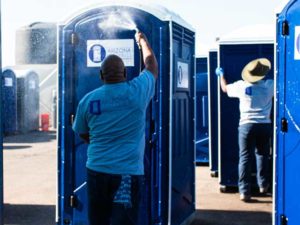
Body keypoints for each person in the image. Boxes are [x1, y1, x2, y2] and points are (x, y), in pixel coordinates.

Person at [72, 31, 158, 225]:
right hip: (127, 175)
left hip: (97, 172)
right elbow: (151, 65)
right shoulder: (138, 92)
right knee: (124, 221)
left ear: (101, 75)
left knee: (98, 220)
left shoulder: (88, 100)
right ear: (125, 73)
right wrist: (143, 41)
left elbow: (84, 133)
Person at [215, 58, 273, 202]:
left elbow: (225, 88)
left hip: (246, 126)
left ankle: (244, 191)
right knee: (262, 155)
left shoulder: (241, 86)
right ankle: (263, 185)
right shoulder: (270, 85)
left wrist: (221, 75)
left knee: (245, 157)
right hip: (264, 125)